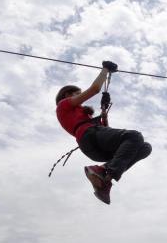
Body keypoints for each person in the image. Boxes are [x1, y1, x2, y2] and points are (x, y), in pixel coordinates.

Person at [55, 61, 152, 204]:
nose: (80, 97)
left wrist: (104, 115)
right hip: (89, 137)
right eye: (77, 94)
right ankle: (104, 170)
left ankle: (104, 176)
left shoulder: (82, 116)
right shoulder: (63, 106)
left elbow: (105, 131)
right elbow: (94, 89)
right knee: (134, 136)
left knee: (145, 147)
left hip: (95, 148)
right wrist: (105, 70)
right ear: (67, 95)